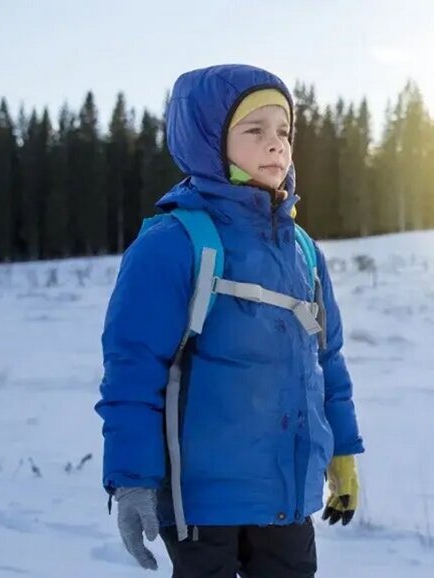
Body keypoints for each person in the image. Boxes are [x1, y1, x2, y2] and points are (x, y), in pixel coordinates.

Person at [95, 64, 364, 578]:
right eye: (254, 130)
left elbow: (327, 361)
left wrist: (343, 452)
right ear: (207, 140)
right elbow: (133, 371)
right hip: (201, 504)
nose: (276, 146)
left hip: (286, 498)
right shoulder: (172, 244)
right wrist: (131, 480)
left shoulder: (303, 251)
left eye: (284, 131)